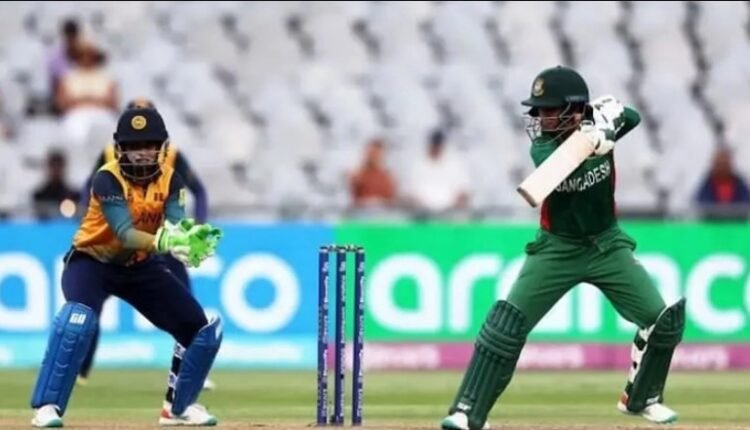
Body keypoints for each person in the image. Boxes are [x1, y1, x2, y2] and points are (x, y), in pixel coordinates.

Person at [439, 66, 685, 430]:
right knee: (505, 325)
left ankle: (642, 398)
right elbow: (563, 169)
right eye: (538, 110)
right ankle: (467, 412)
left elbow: (632, 116)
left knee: (663, 320)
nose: (541, 118)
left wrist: (607, 122)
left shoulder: (595, 123)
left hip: (607, 245)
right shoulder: (542, 147)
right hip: (557, 248)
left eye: (549, 109)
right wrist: (592, 143)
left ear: (575, 109)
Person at [30, 107, 223, 428]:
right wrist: (165, 241)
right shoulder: (106, 178)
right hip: (91, 262)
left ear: (162, 147)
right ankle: (47, 407)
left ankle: (178, 408)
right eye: (134, 146)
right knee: (77, 321)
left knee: (199, 330)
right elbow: (125, 233)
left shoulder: (171, 179)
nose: (142, 152)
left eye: (149, 145)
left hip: (139, 267)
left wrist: (188, 238)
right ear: (120, 148)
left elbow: (175, 223)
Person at [76, 97, 214, 390]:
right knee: (88, 309)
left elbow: (197, 192)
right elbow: (91, 188)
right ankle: (80, 370)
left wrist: (193, 229)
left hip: (162, 243)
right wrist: (88, 220)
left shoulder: (172, 156)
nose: (141, 150)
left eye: (148, 140)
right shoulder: (109, 155)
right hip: (117, 245)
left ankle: (188, 375)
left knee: (186, 309)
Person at [32, 149, 81, 220]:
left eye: (58, 166)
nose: (56, 170)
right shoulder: (39, 196)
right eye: (53, 166)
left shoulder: (73, 196)